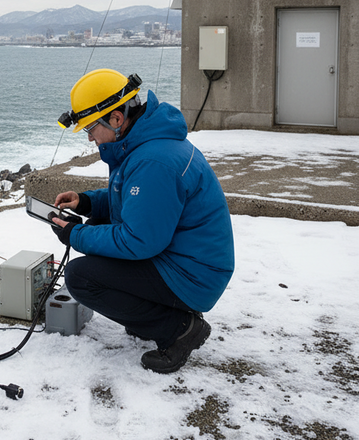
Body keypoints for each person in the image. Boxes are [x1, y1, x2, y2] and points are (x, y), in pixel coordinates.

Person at [51, 68, 234, 374]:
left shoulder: (153, 160)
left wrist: (75, 235)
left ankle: (179, 329)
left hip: (193, 275)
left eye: (91, 129)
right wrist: (87, 202)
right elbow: (136, 202)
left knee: (81, 276)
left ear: (117, 119)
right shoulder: (146, 145)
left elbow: (138, 240)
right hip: (186, 260)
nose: (91, 138)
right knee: (96, 234)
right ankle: (154, 314)